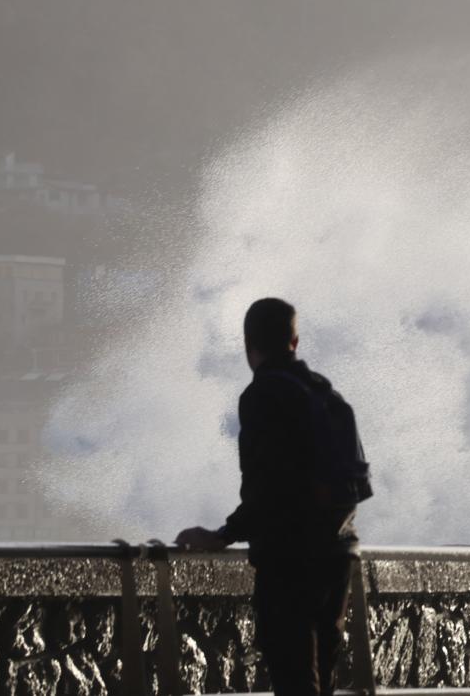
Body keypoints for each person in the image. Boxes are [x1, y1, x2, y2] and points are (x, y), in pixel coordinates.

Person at [175, 297, 373, 696]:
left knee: (295, 679)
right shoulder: (328, 398)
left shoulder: (263, 396)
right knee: (322, 680)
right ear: (294, 341)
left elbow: (268, 487)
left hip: (290, 563)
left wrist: (221, 536)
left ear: (249, 344)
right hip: (337, 557)